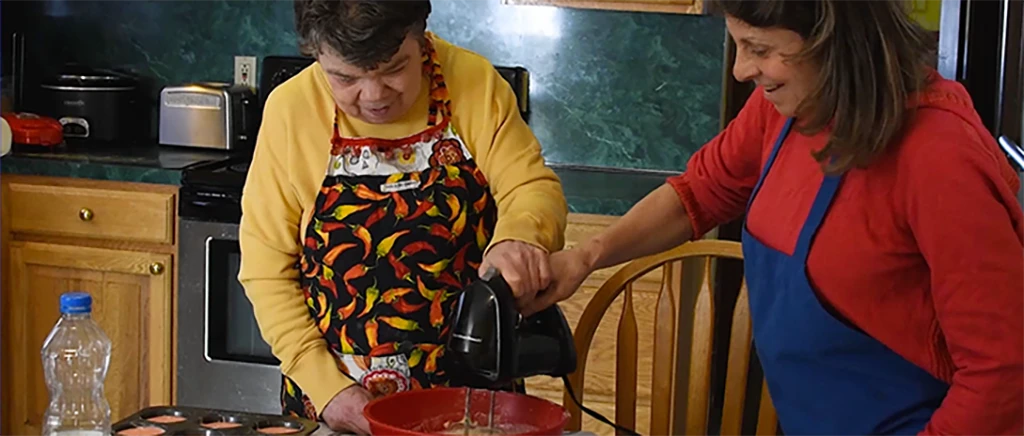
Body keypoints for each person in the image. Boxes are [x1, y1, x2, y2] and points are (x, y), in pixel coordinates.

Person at [525, 0, 1024, 435]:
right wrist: (586, 257)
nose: (742, 69)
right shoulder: (784, 110)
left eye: (759, 49)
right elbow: (700, 192)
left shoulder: (940, 158)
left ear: (836, 39)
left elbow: (1004, 371)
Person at [237, 0, 567, 434]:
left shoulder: (473, 83)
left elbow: (531, 187)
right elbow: (265, 272)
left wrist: (520, 237)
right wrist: (326, 388)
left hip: (473, 402)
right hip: (336, 403)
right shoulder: (292, 111)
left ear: (421, 35)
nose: (373, 95)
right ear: (316, 54)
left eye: (394, 68)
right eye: (345, 78)